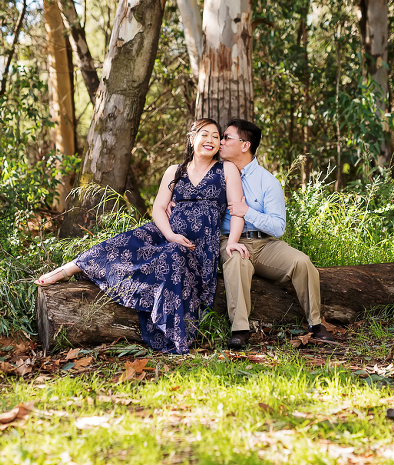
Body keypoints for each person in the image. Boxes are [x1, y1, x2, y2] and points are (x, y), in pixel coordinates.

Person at [36, 118, 248, 354]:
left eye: (216, 136)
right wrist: (170, 234)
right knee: (122, 243)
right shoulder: (174, 171)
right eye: (204, 134)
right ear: (191, 138)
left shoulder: (226, 169)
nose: (211, 140)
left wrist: (232, 242)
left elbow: (236, 209)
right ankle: (73, 267)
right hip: (165, 232)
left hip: (196, 245)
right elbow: (158, 208)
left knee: (173, 257)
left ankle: (172, 333)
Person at [217, 118, 335, 349]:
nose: (220, 142)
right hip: (230, 240)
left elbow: (278, 227)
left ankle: (315, 324)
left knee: (302, 262)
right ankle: (240, 330)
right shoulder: (216, 174)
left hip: (265, 244)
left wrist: (247, 211)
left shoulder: (267, 182)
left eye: (226, 138)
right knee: (236, 261)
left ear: (244, 145)